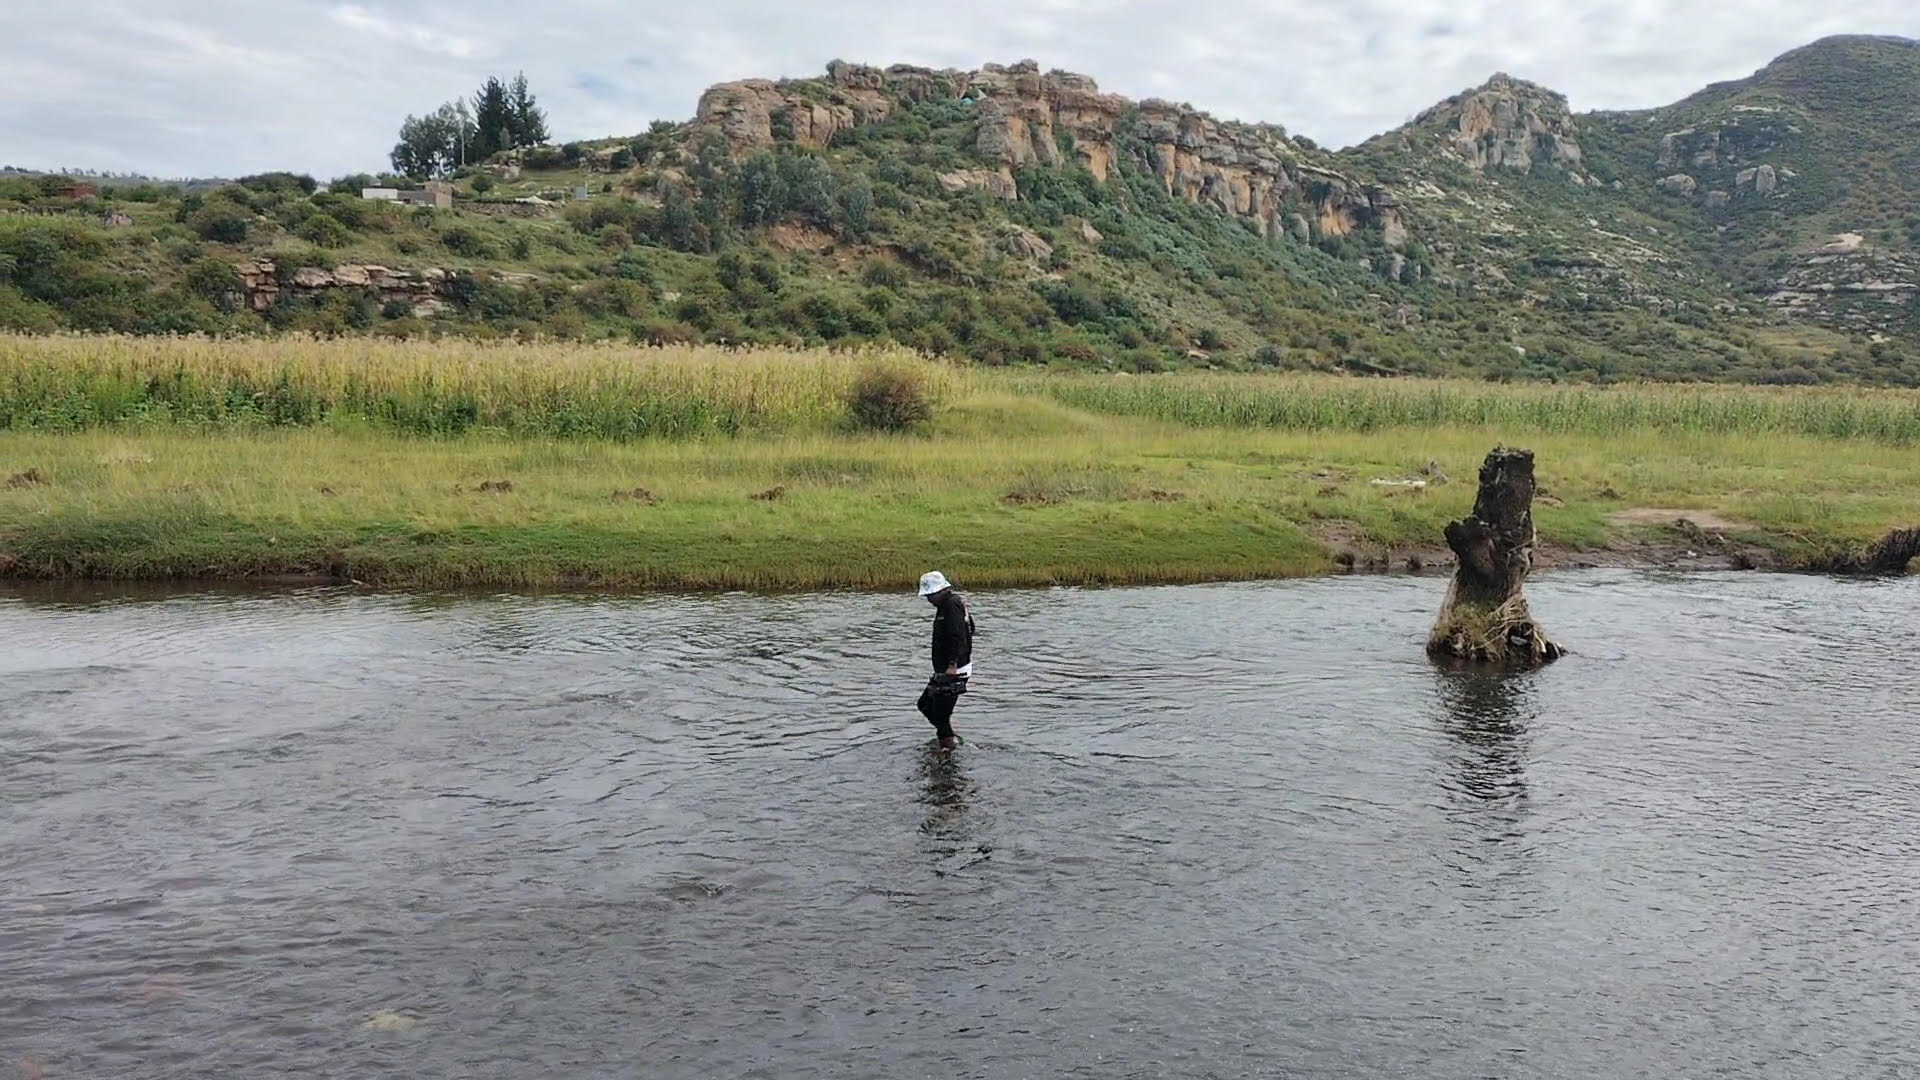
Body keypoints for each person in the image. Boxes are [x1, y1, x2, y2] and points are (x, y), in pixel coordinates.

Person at [915, 570, 973, 750]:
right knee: (925, 704)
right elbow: (971, 627)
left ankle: (948, 752)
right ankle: (949, 735)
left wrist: (952, 665)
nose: (928, 600)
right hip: (945, 670)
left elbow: (956, 636)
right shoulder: (950, 604)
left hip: (954, 670)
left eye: (930, 595)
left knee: (940, 716)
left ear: (940, 591)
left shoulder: (951, 606)